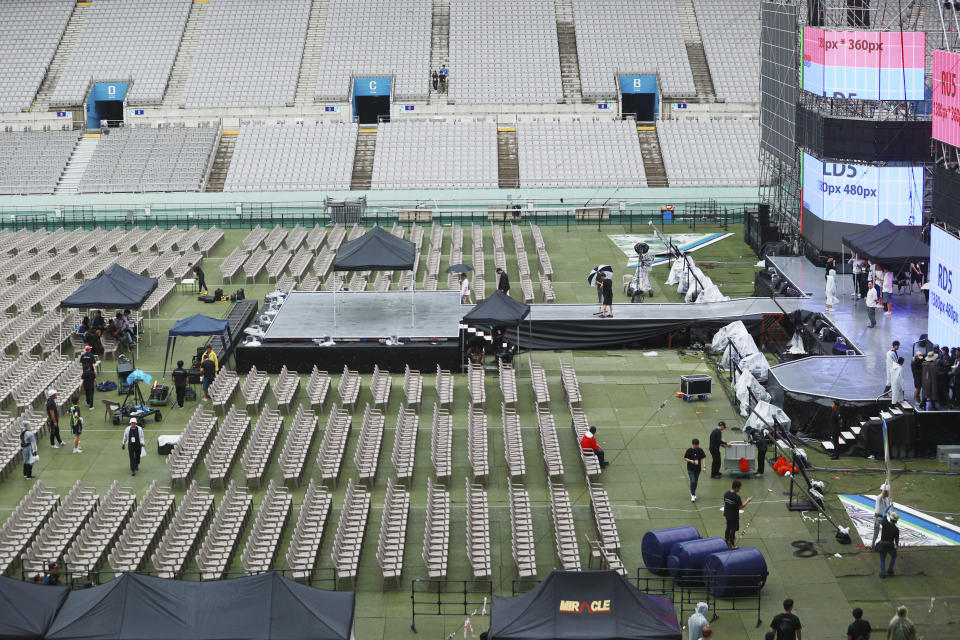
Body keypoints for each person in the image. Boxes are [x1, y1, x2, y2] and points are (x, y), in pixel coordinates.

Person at [722, 479, 752, 549]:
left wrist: (724, 512)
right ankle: (732, 544)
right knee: (733, 530)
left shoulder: (726, 494)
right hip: (734, 516)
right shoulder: (736, 497)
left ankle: (726, 540)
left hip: (727, 514)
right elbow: (741, 507)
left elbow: (725, 503)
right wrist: (748, 501)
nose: (739, 489)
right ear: (736, 488)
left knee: (728, 527)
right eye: (739, 488)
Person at [878, 511, 900, 578]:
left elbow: (884, 513)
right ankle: (890, 570)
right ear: (896, 521)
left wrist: (889, 507)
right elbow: (896, 540)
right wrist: (896, 546)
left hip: (883, 545)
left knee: (882, 559)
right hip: (890, 546)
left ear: (890, 518)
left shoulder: (885, 523)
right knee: (894, 556)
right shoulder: (896, 529)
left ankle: (883, 573)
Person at [871, 484, 892, 549]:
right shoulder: (879, 498)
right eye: (887, 492)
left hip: (883, 518)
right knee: (876, 533)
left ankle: (881, 544)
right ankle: (872, 546)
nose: (889, 493)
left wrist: (891, 508)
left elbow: (887, 510)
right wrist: (885, 485)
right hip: (877, 518)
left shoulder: (885, 499)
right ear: (884, 492)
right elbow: (882, 493)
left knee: (887, 531)